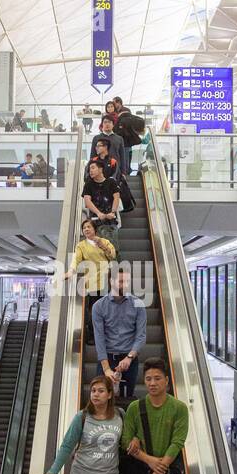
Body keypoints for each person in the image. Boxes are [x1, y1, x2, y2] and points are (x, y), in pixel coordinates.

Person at [92, 266, 146, 400]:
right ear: (111, 281)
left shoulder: (138, 304)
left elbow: (141, 336)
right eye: (121, 281)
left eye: (127, 281)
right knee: (102, 399)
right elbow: (99, 338)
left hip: (129, 359)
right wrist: (106, 368)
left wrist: (129, 357)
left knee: (127, 398)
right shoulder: (99, 306)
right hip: (107, 358)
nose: (125, 285)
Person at [63, 218, 117, 335]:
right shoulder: (81, 246)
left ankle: (108, 332)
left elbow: (112, 256)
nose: (86, 229)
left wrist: (102, 245)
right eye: (84, 228)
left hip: (105, 279)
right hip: (91, 282)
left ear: (94, 229)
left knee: (107, 308)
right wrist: (70, 272)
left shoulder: (105, 241)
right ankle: (94, 333)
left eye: (89, 227)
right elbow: (75, 260)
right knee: (94, 309)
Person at [82, 160, 121, 250]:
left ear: (100, 169)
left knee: (113, 247)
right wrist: (98, 213)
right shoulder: (88, 185)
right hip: (95, 222)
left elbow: (116, 197)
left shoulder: (111, 182)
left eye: (93, 168)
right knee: (98, 249)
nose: (90, 171)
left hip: (110, 220)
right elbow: (87, 201)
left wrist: (113, 212)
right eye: (89, 169)